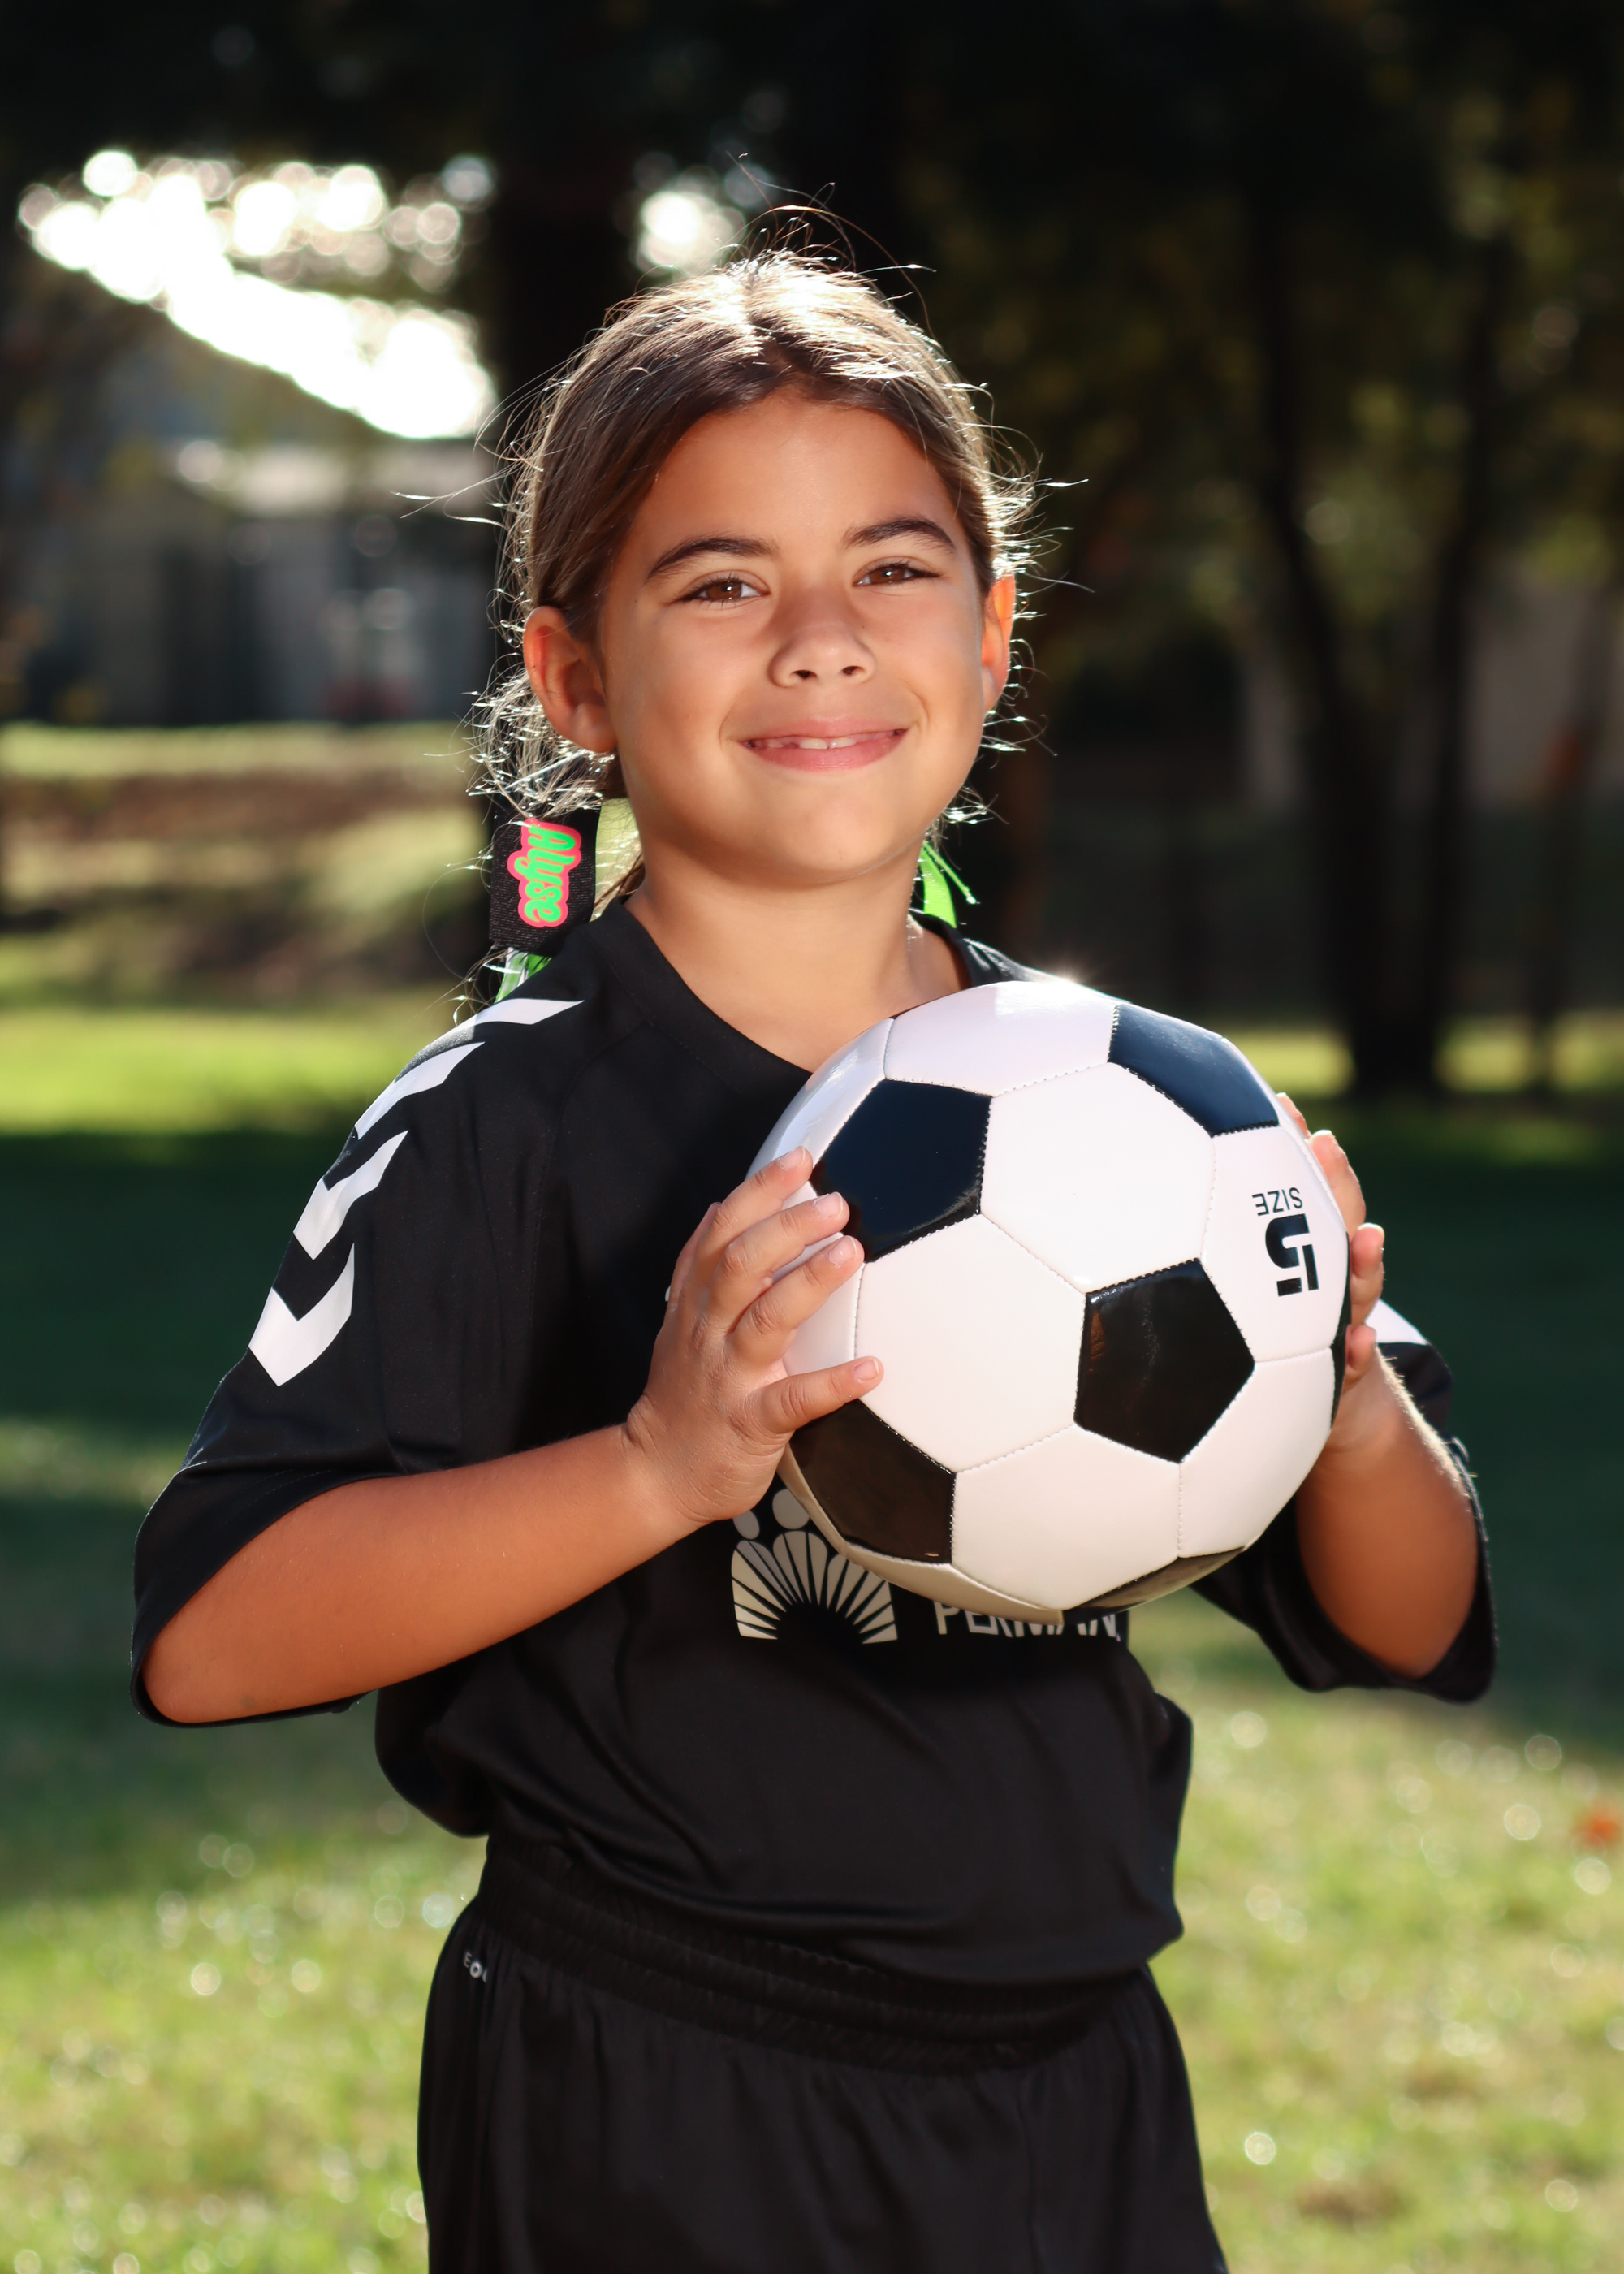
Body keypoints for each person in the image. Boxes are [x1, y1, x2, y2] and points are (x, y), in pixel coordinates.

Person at [133, 253, 1492, 2274]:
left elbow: (1411, 1617)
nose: (821, 641)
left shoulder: (1141, 1109)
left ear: (992, 628)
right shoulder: (500, 1120)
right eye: (721, 583)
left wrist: (1338, 1386)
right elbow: (211, 1635)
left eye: (890, 568)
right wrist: (653, 1466)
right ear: (575, 679)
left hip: (1077, 2083)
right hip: (666, 2089)